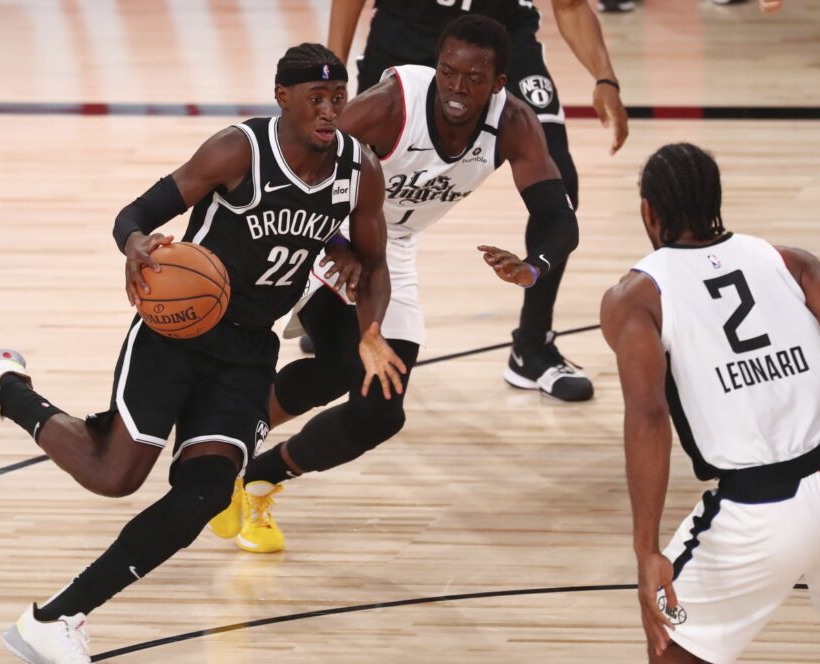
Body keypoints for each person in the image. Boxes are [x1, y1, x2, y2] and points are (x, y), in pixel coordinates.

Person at [0, 44, 407, 664]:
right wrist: (137, 244)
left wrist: (370, 329)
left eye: (338, 98)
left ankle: (57, 619)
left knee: (205, 491)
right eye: (317, 99)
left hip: (250, 350)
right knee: (114, 476)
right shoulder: (239, 150)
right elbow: (137, 211)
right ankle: (3, 389)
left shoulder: (360, 170)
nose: (331, 111)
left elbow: (376, 260)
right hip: (177, 332)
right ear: (283, 98)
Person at [209, 16, 579, 554]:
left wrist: (534, 266)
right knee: (339, 364)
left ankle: (256, 475)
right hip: (324, 228)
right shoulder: (390, 106)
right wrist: (336, 245)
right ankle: (218, 449)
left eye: (473, 79)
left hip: (393, 248)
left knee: (380, 410)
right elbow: (296, 161)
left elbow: (558, 217)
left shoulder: (516, 124)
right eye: (448, 72)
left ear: (499, 84)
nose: (456, 88)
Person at [323, 0, 628, 400]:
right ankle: (335, 301)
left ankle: (532, 345)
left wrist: (605, 78)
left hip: (503, 41)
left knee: (559, 187)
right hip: (407, 31)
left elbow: (569, 6)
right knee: (355, 172)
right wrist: (332, 74)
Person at [601, 143, 820, 663]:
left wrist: (646, 551)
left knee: (671, 648)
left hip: (760, 511)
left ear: (648, 212)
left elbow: (649, 417)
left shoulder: (635, 298)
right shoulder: (790, 262)